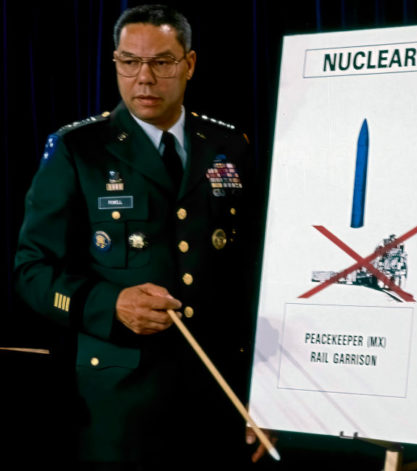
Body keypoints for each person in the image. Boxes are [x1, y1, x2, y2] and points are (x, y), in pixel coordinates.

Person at [14, 4, 260, 468]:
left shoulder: (229, 146)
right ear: (115, 62)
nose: (143, 78)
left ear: (188, 64)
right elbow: (32, 270)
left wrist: (269, 394)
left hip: (217, 395)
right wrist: (112, 304)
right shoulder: (78, 150)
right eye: (129, 62)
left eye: (161, 62)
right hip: (117, 402)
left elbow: (253, 269)